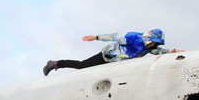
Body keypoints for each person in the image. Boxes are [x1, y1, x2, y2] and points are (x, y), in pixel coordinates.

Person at [42, 29, 182, 75]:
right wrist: (96, 37)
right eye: (154, 42)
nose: (154, 45)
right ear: (150, 38)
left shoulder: (149, 48)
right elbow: (116, 37)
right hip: (108, 56)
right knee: (82, 66)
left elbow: (160, 51)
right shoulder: (134, 37)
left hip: (117, 64)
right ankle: (55, 63)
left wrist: (175, 51)